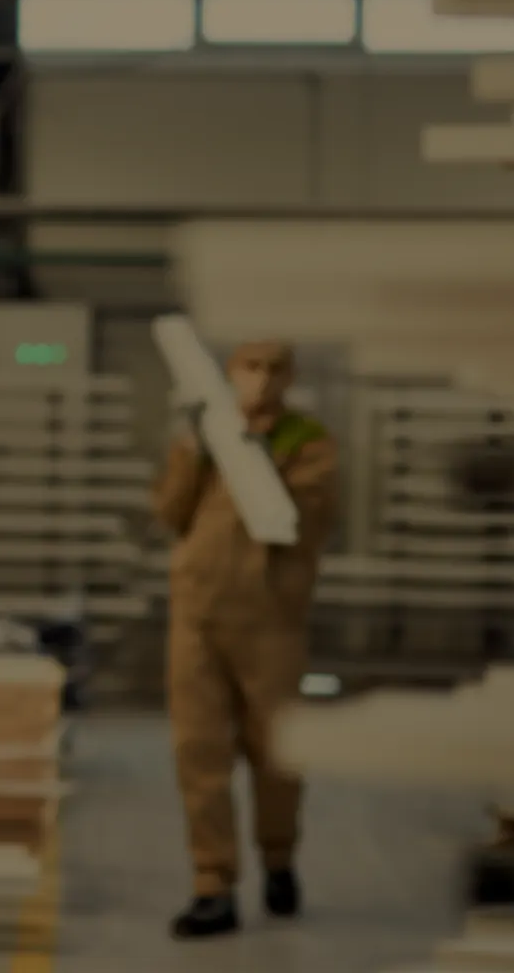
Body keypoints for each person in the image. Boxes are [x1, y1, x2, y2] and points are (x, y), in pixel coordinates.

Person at [151, 340, 339, 940]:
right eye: (250, 366)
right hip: (197, 616)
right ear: (230, 371)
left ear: (290, 376)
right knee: (198, 750)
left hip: (270, 620)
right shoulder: (206, 436)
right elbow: (169, 512)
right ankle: (213, 883)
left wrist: (251, 454)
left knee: (276, 751)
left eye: (274, 368)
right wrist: (196, 450)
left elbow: (303, 522)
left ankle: (279, 860)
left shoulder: (307, 441)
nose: (261, 379)